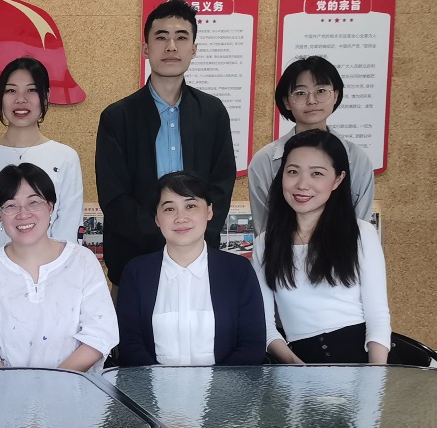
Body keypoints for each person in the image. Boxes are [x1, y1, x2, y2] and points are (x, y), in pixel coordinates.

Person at [96, 0, 235, 287]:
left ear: (193, 49)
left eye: (181, 37)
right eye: (161, 37)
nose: (171, 47)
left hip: (199, 262)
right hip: (135, 263)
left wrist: (191, 240)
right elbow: (114, 197)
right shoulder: (117, 117)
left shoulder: (212, 112)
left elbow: (221, 186)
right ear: (146, 49)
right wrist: (167, 238)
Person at [0, 163, 116, 372]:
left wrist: (53, 382)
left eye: (34, 202)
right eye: (11, 205)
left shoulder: (82, 261)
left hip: (73, 388)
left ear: (50, 207)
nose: (23, 214)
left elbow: (99, 332)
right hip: (3, 389)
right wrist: (15, 386)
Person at [254, 129, 390, 364]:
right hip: (298, 364)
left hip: (358, 361)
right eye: (292, 171)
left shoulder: (361, 233)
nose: (302, 184)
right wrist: (298, 368)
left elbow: (378, 318)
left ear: (338, 179)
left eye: (316, 173)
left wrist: (375, 379)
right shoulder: (265, 243)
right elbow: (265, 326)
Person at [116, 171, 266, 366]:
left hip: (225, 386)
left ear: (209, 211)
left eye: (190, 206)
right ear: (157, 218)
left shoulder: (238, 270)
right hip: (152, 385)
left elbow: (252, 345)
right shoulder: (137, 273)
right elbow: (129, 344)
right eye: (169, 209)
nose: (181, 218)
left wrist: (216, 385)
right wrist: (159, 382)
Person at [0, 57, 84, 279]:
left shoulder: (65, 158)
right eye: (11, 91)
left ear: (45, 97)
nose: (20, 99)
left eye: (31, 90)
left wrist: (53, 278)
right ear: (0, 98)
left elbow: (68, 229)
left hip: (53, 279)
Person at [249, 56, 375, 232]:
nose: (312, 101)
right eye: (300, 93)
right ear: (286, 101)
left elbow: (360, 226)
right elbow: (264, 230)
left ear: (335, 95)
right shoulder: (264, 161)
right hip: (281, 249)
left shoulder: (357, 158)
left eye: (321, 91)